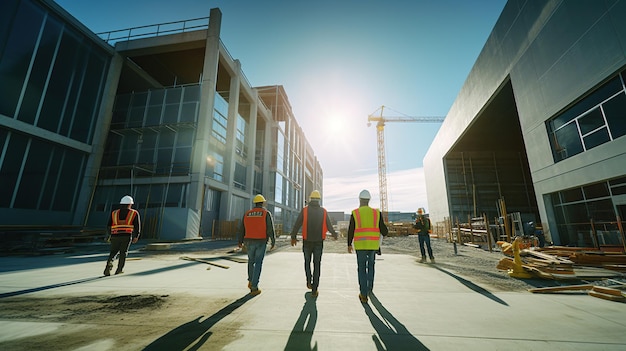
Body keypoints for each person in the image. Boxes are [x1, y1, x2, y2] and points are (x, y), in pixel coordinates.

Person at [290, 190, 338, 297]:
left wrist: (293, 236)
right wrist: (334, 234)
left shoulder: (305, 210)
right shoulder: (323, 211)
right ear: (319, 199)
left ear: (310, 199)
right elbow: (329, 226)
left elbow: (297, 224)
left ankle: (308, 280)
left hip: (307, 241)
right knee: (317, 264)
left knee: (307, 262)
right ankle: (315, 289)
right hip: (318, 242)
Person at [347, 189, 388, 303]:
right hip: (373, 246)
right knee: (371, 267)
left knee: (361, 269)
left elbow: (351, 230)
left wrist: (349, 244)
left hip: (360, 246)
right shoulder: (376, 213)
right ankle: (369, 289)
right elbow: (384, 230)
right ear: (369, 200)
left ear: (360, 200)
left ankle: (363, 294)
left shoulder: (355, 213)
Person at [238, 194, 276, 296]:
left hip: (248, 241)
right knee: (258, 263)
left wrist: (240, 241)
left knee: (251, 262)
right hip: (260, 241)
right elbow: (270, 228)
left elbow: (242, 228)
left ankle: (250, 281)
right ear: (263, 203)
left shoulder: (247, 213)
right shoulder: (265, 213)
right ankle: (254, 287)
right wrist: (273, 241)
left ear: (255, 203)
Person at [104, 195, 141, 276]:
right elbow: (137, 226)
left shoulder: (114, 213)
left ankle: (109, 264)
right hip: (126, 236)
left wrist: (109, 235)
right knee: (123, 253)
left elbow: (108, 225)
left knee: (113, 252)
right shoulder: (134, 213)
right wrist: (136, 236)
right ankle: (119, 269)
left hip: (115, 235)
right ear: (130, 204)